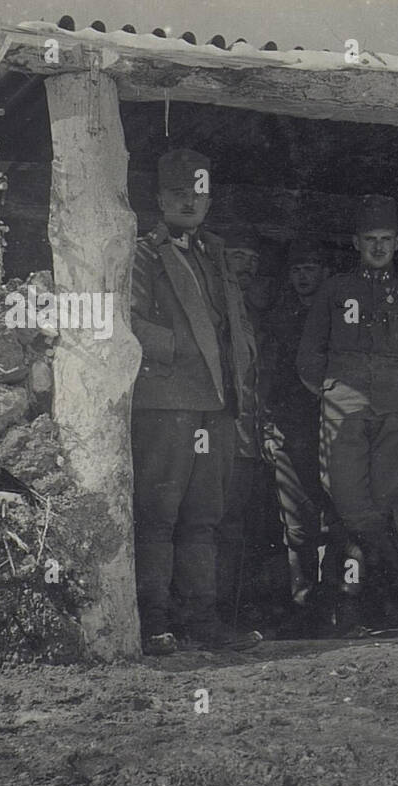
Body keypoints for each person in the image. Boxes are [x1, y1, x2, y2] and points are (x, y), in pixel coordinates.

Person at [129, 149, 262, 653]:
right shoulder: (145, 252)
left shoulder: (214, 255)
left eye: (198, 193)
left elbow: (236, 325)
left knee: (205, 515)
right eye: (179, 193)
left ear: (209, 199)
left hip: (216, 406)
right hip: (168, 404)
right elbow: (132, 320)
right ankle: (155, 622)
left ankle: (201, 621)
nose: (190, 201)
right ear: (160, 199)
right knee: (159, 512)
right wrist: (184, 349)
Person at [297, 195, 398, 629]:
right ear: (357, 242)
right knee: (352, 503)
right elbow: (308, 356)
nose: (378, 248)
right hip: (346, 407)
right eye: (370, 240)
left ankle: (360, 606)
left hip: (396, 408)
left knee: (381, 504)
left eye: (386, 240)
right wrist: (335, 391)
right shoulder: (336, 290)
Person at [261, 238, 334, 620]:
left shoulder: (338, 313)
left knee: (341, 517)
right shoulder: (278, 318)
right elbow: (267, 375)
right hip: (293, 428)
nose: (303, 277)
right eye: (296, 270)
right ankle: (304, 605)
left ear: (324, 273)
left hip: (336, 424)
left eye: (310, 269)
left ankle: (342, 603)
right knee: (300, 525)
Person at [213, 229, 271, 630]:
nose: (246, 266)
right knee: (213, 526)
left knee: (241, 529)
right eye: (237, 255)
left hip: (251, 440)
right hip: (218, 436)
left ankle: (232, 614)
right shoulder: (214, 306)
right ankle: (208, 615)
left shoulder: (258, 311)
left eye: (252, 258)